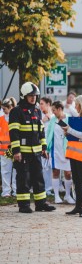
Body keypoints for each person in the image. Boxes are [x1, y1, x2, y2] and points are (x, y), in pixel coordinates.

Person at [9, 82, 56, 213]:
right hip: (23, 153)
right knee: (24, 179)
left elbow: (41, 131)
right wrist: (16, 151)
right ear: (24, 96)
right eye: (30, 95)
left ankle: (41, 204)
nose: (33, 98)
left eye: (35, 95)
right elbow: (14, 132)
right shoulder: (16, 111)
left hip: (36, 152)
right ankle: (24, 205)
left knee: (38, 178)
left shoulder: (37, 110)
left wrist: (44, 147)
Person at [46, 101, 75, 204]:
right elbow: (48, 134)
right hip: (55, 150)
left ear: (59, 109)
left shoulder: (69, 118)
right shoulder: (53, 120)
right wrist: (46, 148)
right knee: (55, 172)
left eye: (54, 110)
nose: (53, 112)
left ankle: (67, 195)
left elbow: (73, 134)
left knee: (68, 173)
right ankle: (56, 196)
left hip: (66, 150)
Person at [0, 97, 17, 197]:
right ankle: (6, 191)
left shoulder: (16, 118)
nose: (3, 111)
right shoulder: (1, 119)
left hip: (14, 149)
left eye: (4, 109)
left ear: (10, 107)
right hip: (4, 149)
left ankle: (15, 190)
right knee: (6, 171)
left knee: (16, 171)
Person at [39, 97, 53, 195]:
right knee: (42, 167)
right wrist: (43, 120)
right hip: (41, 144)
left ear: (48, 104)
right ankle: (41, 188)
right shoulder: (39, 115)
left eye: (42, 103)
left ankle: (48, 189)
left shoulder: (53, 116)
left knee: (50, 167)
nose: (40, 106)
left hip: (51, 145)